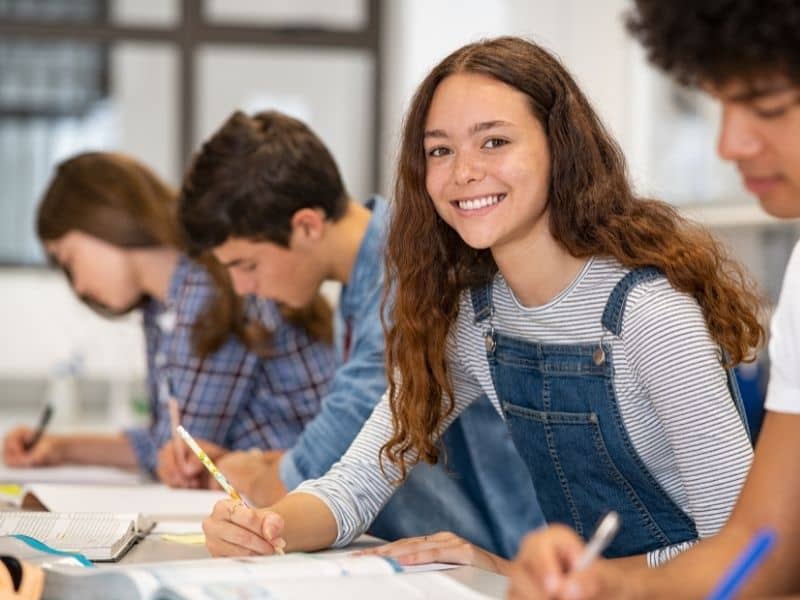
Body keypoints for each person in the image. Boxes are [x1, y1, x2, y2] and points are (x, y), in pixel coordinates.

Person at [199, 36, 763, 572]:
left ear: (560, 147)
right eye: (440, 150)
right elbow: (356, 482)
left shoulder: (650, 315)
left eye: (494, 141)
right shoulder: (474, 319)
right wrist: (266, 526)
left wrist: (519, 574)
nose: (463, 172)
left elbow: (742, 549)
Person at [506, 1, 800, 597]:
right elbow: (764, 549)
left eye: (768, 106)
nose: (730, 144)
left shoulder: (647, 310)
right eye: (721, 104)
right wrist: (603, 584)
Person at [174, 109, 542, 560]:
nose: (243, 289)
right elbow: (356, 463)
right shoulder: (359, 286)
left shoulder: (407, 279)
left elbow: (321, 460)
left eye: (246, 265)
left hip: (496, 553)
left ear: (307, 225)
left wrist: (255, 472)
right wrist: (259, 472)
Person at [2, 152, 335, 479]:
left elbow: (181, 453)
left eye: (69, 259)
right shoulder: (165, 305)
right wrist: (60, 448)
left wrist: (68, 448)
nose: (79, 286)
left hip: (313, 492)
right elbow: (168, 442)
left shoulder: (211, 289)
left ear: (104, 219)